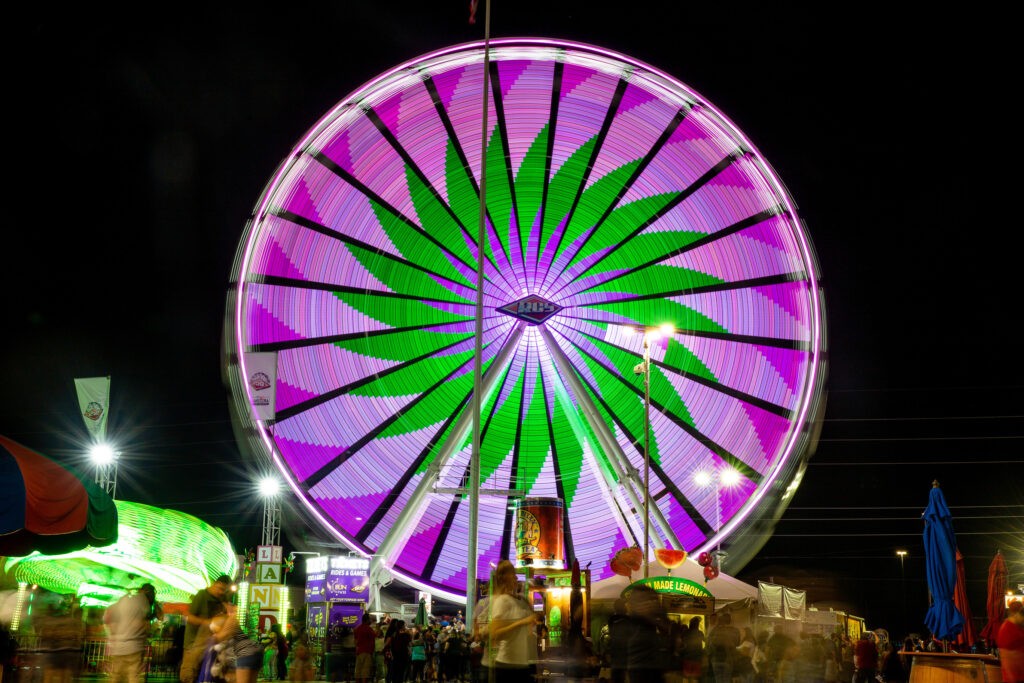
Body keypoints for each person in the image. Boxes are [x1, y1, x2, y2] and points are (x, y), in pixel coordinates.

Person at [482, 559, 536, 682]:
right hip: (507, 666)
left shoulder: (520, 600)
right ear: (504, 578)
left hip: (522, 664)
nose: (516, 577)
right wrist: (521, 622)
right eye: (512, 574)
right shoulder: (502, 601)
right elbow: (495, 633)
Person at [180, 575, 232, 683]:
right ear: (215, 584)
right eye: (221, 589)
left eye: (225, 590)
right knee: (189, 674)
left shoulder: (223, 598)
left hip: (211, 645)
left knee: (206, 675)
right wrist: (207, 623)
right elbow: (189, 617)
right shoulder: (201, 595)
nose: (221, 592)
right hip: (193, 643)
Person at [105, 584, 158, 683]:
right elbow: (145, 625)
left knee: (116, 677)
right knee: (133, 677)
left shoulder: (125, 599)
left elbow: (110, 616)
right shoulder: (145, 603)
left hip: (119, 646)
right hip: (135, 647)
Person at [624, 584, 671, 683]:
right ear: (634, 604)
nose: (649, 603)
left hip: (654, 673)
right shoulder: (632, 624)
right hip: (641, 673)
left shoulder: (653, 623)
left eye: (652, 600)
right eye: (643, 600)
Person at [706, 612, 741, 683]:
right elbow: (737, 644)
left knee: (718, 680)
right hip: (728, 659)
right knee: (726, 680)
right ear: (730, 620)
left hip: (716, 659)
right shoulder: (735, 631)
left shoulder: (715, 630)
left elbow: (709, 644)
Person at [996, 599, 1024, 683]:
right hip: (1016, 679)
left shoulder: (1019, 627)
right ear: (1015, 614)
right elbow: (1007, 657)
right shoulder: (1007, 629)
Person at [605, 598, 630, 683]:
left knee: (617, 676)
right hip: (623, 653)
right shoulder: (627, 620)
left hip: (616, 653)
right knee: (620, 676)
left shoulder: (612, 620)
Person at [353, 613, 377, 683]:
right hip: (367, 652)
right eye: (370, 620)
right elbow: (376, 635)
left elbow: (355, 641)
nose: (371, 621)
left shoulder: (357, 628)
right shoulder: (369, 629)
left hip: (359, 652)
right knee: (365, 672)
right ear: (367, 620)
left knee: (358, 671)